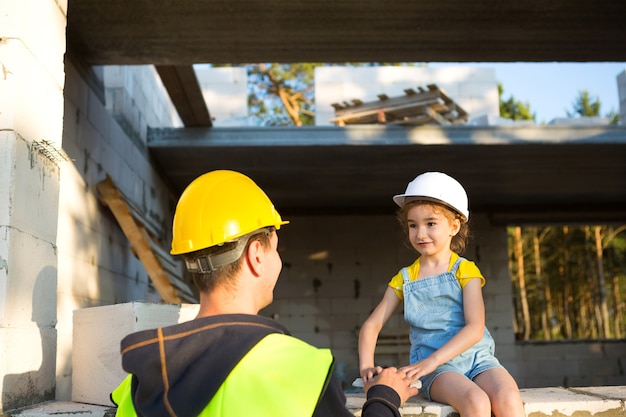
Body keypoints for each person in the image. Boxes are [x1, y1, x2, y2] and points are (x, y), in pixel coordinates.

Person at [110, 169, 419, 417]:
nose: (279, 259)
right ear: (256, 255)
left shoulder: (142, 380)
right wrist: (384, 399)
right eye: (276, 248)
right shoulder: (302, 371)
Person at [358, 172, 524, 417]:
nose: (420, 233)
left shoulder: (466, 271)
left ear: (454, 226)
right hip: (436, 371)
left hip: (479, 360)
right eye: (413, 225)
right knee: (476, 401)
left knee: (509, 398)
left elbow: (475, 328)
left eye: (430, 223)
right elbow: (372, 325)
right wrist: (366, 367)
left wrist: (431, 360)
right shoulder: (405, 278)